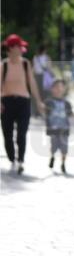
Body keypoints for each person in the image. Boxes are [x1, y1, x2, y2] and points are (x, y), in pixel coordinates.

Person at [2, 35, 46, 175]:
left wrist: (38, 101)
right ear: (11, 48)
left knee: (22, 133)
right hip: (6, 103)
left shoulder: (26, 63)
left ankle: (21, 160)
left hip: (23, 102)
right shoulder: (4, 65)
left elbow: (32, 83)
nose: (22, 49)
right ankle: (12, 159)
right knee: (7, 134)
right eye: (18, 46)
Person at [44, 78, 72, 174]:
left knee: (64, 148)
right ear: (52, 89)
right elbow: (44, 112)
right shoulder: (48, 102)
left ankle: (63, 164)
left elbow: (70, 114)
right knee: (54, 147)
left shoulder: (67, 103)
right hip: (53, 129)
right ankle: (52, 157)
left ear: (64, 89)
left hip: (64, 129)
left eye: (61, 87)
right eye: (56, 87)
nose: (59, 89)